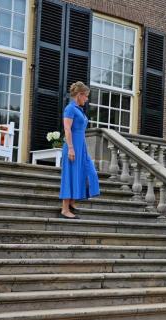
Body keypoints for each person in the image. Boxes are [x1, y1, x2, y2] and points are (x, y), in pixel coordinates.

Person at [59, 81, 100, 219]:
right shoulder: (70, 109)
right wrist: (70, 148)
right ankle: (65, 209)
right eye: (86, 96)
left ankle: (72, 201)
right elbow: (67, 129)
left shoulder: (78, 109)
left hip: (81, 146)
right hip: (72, 146)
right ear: (80, 95)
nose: (87, 99)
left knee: (90, 172)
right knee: (70, 175)